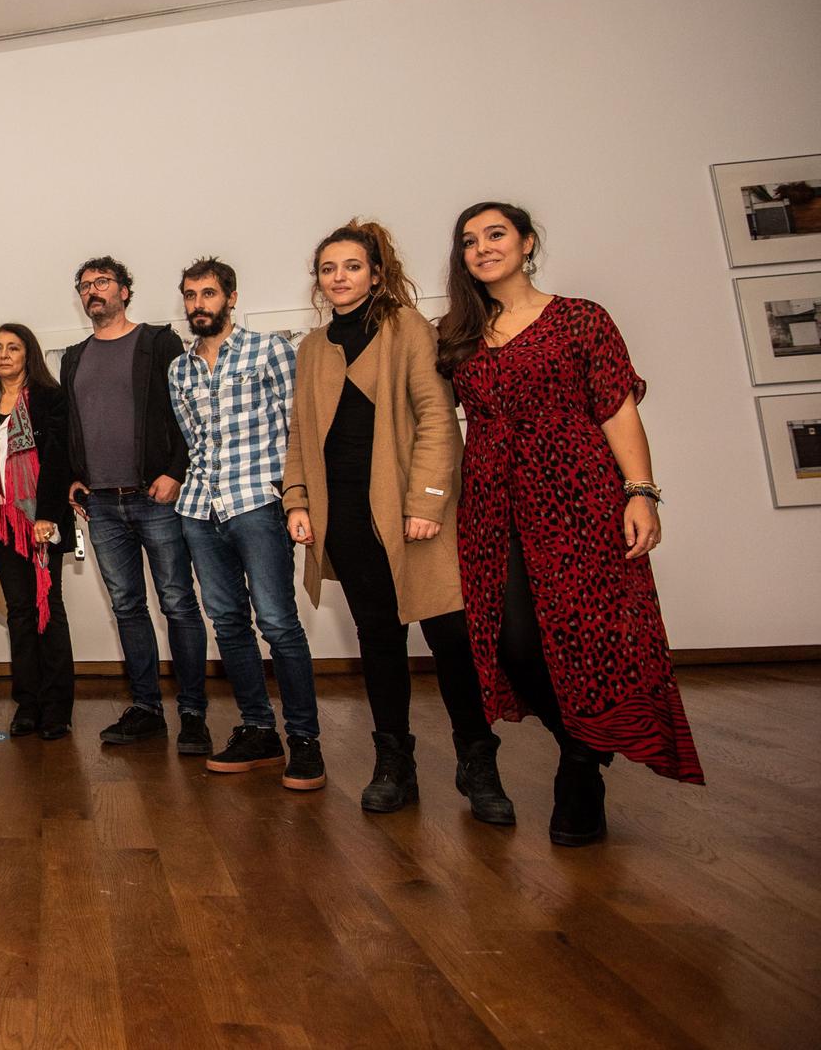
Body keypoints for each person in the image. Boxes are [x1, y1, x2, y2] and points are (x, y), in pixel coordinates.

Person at [438, 201, 703, 844]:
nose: (482, 248)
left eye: (496, 235)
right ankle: (582, 744)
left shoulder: (581, 317)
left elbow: (617, 409)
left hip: (577, 492)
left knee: (590, 634)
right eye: (469, 241)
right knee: (512, 641)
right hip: (492, 501)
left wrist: (640, 492)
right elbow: (423, 414)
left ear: (528, 243)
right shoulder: (456, 334)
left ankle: (581, 767)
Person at [282, 221, 513, 822]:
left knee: (449, 640)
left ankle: (478, 761)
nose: (339, 278)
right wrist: (298, 500)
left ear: (376, 273)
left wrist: (426, 504)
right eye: (329, 269)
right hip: (347, 519)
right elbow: (300, 435)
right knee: (378, 640)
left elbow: (438, 419)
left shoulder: (407, 328)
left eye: (352, 266)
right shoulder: (312, 348)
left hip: (413, 516)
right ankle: (394, 762)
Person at [169, 257, 326, 791]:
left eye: (208, 294)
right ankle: (259, 731)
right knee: (229, 625)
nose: (198, 305)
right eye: (190, 296)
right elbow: (192, 442)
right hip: (199, 511)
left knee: (279, 625)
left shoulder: (271, 350)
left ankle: (305, 741)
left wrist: (293, 500)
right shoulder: (180, 369)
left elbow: (295, 431)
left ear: (230, 298)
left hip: (257, 503)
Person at [59, 256, 210, 752]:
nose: (93, 291)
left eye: (102, 282)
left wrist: (175, 471)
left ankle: (192, 713)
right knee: (127, 606)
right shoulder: (73, 356)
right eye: (85, 286)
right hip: (100, 504)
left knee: (177, 603)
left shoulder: (157, 342)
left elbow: (187, 411)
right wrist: (74, 477)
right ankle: (146, 708)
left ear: (125, 290)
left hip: (155, 496)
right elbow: (73, 426)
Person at [0, 324, 76, 740]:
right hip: (0, 524)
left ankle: (57, 708)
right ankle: (27, 704)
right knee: (19, 613)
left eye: (13, 347)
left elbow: (57, 460)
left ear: (28, 353)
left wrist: (46, 515)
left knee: (49, 608)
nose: (4, 355)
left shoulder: (50, 398)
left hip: (39, 523)